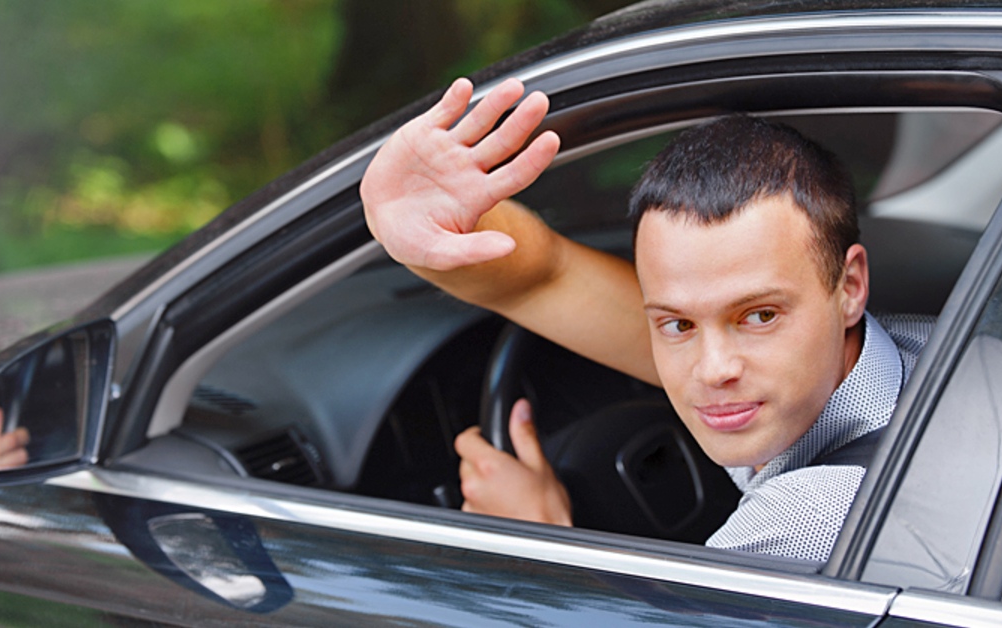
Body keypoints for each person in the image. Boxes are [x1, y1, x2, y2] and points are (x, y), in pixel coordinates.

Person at [360, 77, 933, 560]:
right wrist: (423, 224)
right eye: (678, 325)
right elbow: (548, 274)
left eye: (759, 315)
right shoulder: (931, 346)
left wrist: (541, 542)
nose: (712, 370)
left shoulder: (813, 523)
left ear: (850, 286)